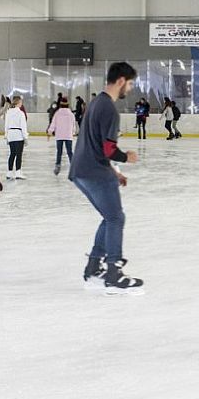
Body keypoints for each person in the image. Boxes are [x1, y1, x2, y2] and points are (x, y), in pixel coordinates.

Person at [70, 62, 144, 294]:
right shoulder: (109, 109)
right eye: (130, 84)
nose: (130, 89)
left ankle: (93, 267)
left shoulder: (96, 103)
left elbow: (94, 145)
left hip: (81, 171)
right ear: (121, 80)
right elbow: (108, 149)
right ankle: (113, 272)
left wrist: (115, 172)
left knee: (110, 216)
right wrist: (126, 158)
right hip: (94, 172)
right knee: (115, 219)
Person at [47, 96, 76, 176]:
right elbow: (73, 125)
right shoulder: (71, 114)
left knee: (59, 152)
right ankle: (74, 167)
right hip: (68, 135)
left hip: (59, 135)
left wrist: (50, 132)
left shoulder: (57, 113)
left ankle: (58, 166)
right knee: (69, 152)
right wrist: (73, 132)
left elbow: (53, 124)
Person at [4, 95, 29, 179]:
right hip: (18, 135)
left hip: (11, 134)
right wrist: (25, 137)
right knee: (19, 154)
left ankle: (9, 172)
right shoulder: (20, 113)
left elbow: (6, 125)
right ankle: (18, 172)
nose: (21, 104)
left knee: (12, 154)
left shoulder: (8, 112)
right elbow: (23, 126)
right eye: (21, 102)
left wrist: (6, 135)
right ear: (18, 103)